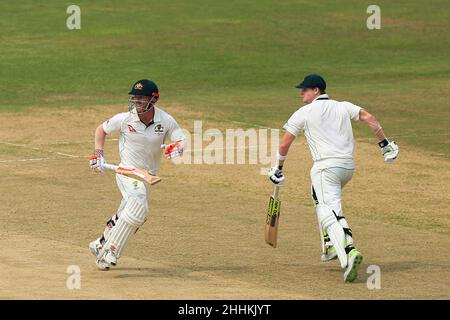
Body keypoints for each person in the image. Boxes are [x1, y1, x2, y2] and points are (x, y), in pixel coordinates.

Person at [268, 74, 399, 282]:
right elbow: (369, 118)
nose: (302, 92)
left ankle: (349, 251)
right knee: (318, 197)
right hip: (347, 168)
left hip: (325, 169)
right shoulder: (343, 106)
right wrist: (385, 144)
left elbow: (285, 143)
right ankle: (329, 245)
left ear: (316, 91)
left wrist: (278, 168)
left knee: (329, 211)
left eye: (305, 89)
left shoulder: (304, 112)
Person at [88, 79, 185, 270]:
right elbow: (101, 130)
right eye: (134, 98)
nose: (136, 103)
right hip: (127, 171)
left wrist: (178, 148)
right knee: (139, 205)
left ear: (153, 99)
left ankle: (100, 243)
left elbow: (181, 139)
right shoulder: (125, 118)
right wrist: (98, 153)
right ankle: (110, 251)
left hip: (147, 175)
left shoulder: (165, 120)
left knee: (130, 212)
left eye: (140, 99)